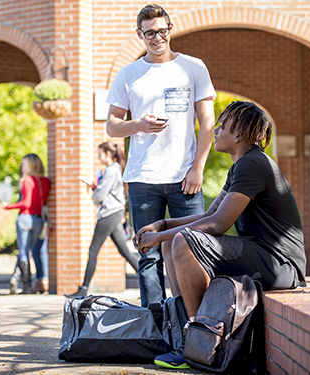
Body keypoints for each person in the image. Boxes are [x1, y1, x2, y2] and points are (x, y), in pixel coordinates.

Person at [133, 101, 306, 369]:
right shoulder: (241, 165)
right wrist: (163, 226)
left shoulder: (253, 164)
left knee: (182, 241)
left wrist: (162, 236)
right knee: (172, 242)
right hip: (260, 253)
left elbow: (218, 224)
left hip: (280, 264)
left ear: (238, 135)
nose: (215, 130)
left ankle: (200, 343)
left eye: (222, 126)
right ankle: (185, 337)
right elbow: (208, 215)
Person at [105, 4, 216, 307]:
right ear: (139, 34)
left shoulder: (193, 67)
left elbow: (207, 122)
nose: (157, 38)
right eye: (150, 33)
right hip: (143, 179)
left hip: (185, 178)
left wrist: (198, 168)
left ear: (170, 28)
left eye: (162, 31)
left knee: (193, 250)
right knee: (147, 256)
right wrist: (138, 124)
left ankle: (195, 323)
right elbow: (112, 126)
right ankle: (154, 327)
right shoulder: (128, 74)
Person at [66, 142, 140, 298]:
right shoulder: (115, 170)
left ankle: (83, 289)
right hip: (115, 212)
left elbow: (99, 196)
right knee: (125, 251)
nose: (98, 157)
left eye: (100, 154)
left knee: (93, 250)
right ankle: (146, 283)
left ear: (108, 153)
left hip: (109, 214)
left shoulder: (112, 170)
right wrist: (96, 187)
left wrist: (95, 192)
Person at [5, 154, 50, 294]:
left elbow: (26, 203)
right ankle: (17, 279)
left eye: (23, 164)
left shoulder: (27, 180)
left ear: (30, 166)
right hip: (38, 220)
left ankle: (26, 285)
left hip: (25, 218)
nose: (21, 167)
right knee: (28, 251)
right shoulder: (46, 181)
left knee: (23, 252)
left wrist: (8, 206)